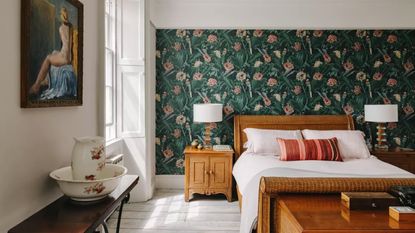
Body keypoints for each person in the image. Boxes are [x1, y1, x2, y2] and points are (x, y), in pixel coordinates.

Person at [29, 7, 74, 95]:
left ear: (62, 16)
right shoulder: (71, 27)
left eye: (61, 14)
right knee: (54, 52)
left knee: (48, 58)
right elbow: (67, 45)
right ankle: (46, 80)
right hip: (68, 56)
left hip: (65, 58)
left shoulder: (61, 28)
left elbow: (65, 45)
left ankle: (36, 86)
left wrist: (63, 55)